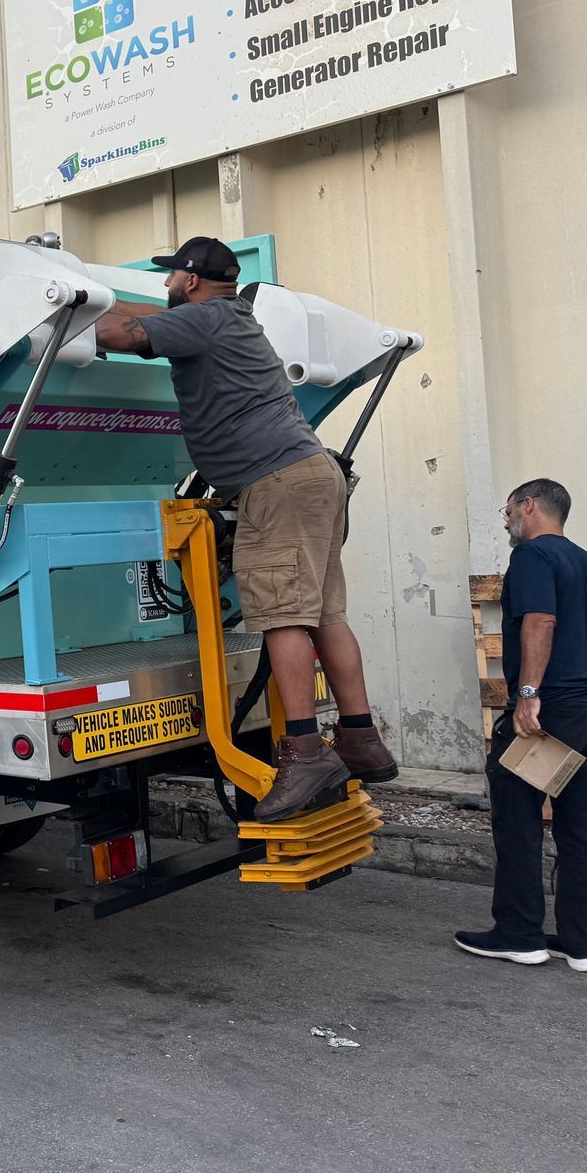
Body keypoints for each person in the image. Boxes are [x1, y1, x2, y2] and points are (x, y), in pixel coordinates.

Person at [93, 236, 395, 821]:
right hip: (313, 474)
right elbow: (156, 317)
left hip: (274, 482)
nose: (164, 285)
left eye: (170, 276)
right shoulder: (228, 316)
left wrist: (66, 306)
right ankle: (360, 739)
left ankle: (306, 755)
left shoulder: (202, 321)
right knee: (325, 613)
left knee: (281, 616)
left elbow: (118, 335)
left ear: (190, 278)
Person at [455, 479, 587, 971]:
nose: (506, 521)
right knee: (583, 824)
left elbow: (539, 621)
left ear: (529, 506)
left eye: (508, 512)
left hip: (551, 710)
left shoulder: (532, 558)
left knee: (517, 815)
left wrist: (527, 695)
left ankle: (519, 933)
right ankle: (580, 943)